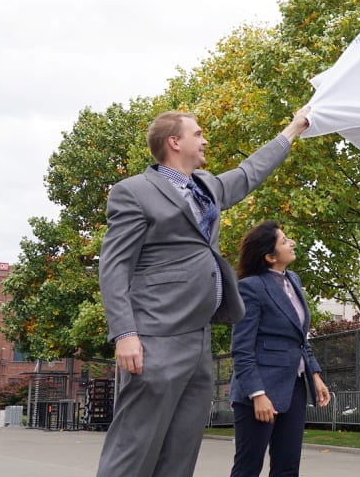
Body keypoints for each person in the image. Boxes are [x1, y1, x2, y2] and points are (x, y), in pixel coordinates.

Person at [96, 107, 311, 477]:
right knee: (135, 448)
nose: (205, 139)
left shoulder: (207, 186)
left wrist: (293, 129)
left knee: (181, 451)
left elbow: (249, 173)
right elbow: (114, 265)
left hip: (199, 337)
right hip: (156, 335)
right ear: (174, 142)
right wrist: (125, 333)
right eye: (197, 133)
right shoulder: (134, 192)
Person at [229, 220, 331, 477]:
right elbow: (242, 348)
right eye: (284, 241)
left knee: (287, 467)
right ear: (270, 256)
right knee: (248, 467)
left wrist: (315, 375)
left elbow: (300, 338)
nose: (292, 243)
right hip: (259, 390)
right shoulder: (250, 287)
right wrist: (257, 394)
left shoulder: (293, 280)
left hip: (294, 387)